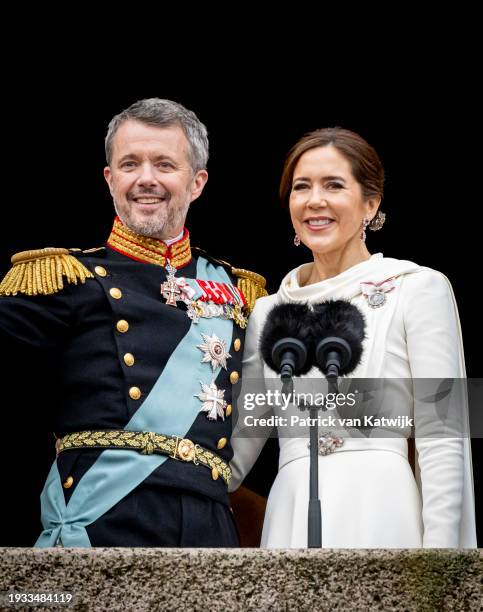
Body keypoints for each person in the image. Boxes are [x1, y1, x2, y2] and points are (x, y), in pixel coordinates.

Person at [0, 98, 267, 547]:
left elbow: (290, 397)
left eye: (165, 164)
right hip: (103, 519)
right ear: (110, 179)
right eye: (130, 164)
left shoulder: (242, 292)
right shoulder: (64, 279)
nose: (146, 178)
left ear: (196, 182)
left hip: (211, 526)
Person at [229, 127, 477, 548]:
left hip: (382, 506)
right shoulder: (267, 312)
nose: (314, 200)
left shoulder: (416, 288)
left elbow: (443, 435)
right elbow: (237, 450)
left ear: (371, 203)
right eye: (301, 187)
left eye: (334, 185)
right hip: (291, 512)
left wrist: (443, 562)